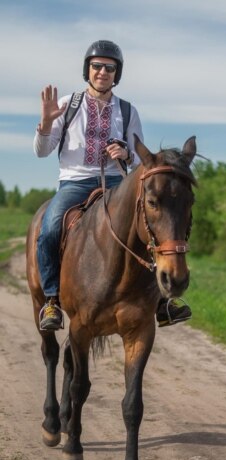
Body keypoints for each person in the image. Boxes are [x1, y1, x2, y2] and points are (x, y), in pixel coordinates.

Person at [33, 39, 191, 331]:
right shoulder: (68, 105)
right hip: (75, 182)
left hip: (117, 184)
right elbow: (42, 151)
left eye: (109, 68)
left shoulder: (128, 111)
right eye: (97, 66)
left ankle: (161, 301)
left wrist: (127, 153)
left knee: (147, 226)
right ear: (88, 70)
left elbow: (141, 162)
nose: (102, 72)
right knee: (50, 227)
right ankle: (52, 300)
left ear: (116, 74)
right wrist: (45, 124)